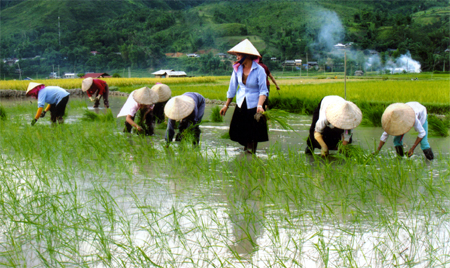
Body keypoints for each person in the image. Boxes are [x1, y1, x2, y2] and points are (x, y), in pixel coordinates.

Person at [220, 39, 269, 155]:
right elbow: (232, 88)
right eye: (236, 55)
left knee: (253, 132)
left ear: (247, 55)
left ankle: (250, 152)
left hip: (254, 104)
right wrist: (226, 105)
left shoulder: (259, 70)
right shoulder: (237, 69)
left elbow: (263, 90)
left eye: (239, 55)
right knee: (238, 130)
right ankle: (247, 149)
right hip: (241, 102)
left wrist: (260, 105)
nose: (237, 57)